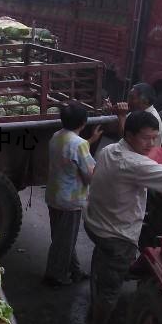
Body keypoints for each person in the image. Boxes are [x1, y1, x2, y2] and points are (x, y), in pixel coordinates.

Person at [83, 110, 162, 324]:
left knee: (103, 272)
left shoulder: (111, 150)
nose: (151, 144)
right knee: (111, 290)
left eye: (155, 137)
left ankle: (96, 304)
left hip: (96, 223)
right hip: (116, 235)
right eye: (146, 138)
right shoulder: (134, 163)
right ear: (129, 135)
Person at [43, 102, 103, 287]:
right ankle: (55, 276)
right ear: (83, 122)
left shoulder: (57, 136)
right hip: (70, 200)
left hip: (54, 195)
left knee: (62, 237)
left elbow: (70, 154)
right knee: (65, 241)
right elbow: (90, 174)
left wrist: (89, 141)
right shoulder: (79, 144)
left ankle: (75, 270)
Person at [111, 82, 162, 147]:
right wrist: (111, 111)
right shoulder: (138, 111)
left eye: (132, 98)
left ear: (145, 101)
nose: (128, 101)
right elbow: (114, 128)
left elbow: (125, 141)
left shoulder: (150, 118)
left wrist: (122, 116)